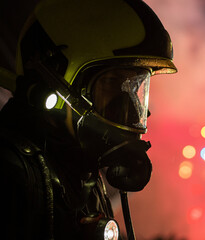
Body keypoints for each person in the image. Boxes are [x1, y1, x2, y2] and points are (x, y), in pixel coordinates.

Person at [0, 0, 177, 239]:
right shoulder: (10, 172)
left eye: (133, 87)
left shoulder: (83, 177)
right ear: (55, 81)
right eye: (112, 86)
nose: (131, 110)